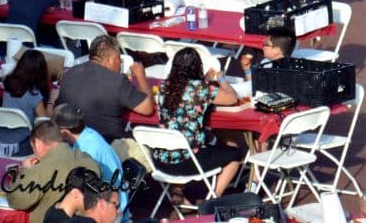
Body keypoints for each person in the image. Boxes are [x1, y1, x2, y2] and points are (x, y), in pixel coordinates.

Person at [155, 47, 242, 204]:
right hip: (189, 161)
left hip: (162, 162)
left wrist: (205, 81)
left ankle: (177, 189)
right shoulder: (200, 89)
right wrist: (221, 79)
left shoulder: (164, 86)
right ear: (197, 67)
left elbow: (185, 94)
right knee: (235, 154)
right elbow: (232, 98)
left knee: (177, 141)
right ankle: (212, 199)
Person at [56, 35, 154, 142]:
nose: (121, 62)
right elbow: (147, 108)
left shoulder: (69, 73)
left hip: (69, 141)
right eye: (118, 58)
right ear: (110, 59)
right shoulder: (117, 82)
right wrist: (141, 76)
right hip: (108, 144)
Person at [5, 121, 102, 223]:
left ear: (38, 143)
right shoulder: (89, 161)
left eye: (33, 148)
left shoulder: (38, 171)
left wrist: (26, 171)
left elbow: (16, 200)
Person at [0, 49, 51, 156]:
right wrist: (51, 100)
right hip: (21, 145)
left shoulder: (8, 83)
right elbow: (45, 122)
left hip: (2, 142)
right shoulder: (34, 94)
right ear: (39, 71)